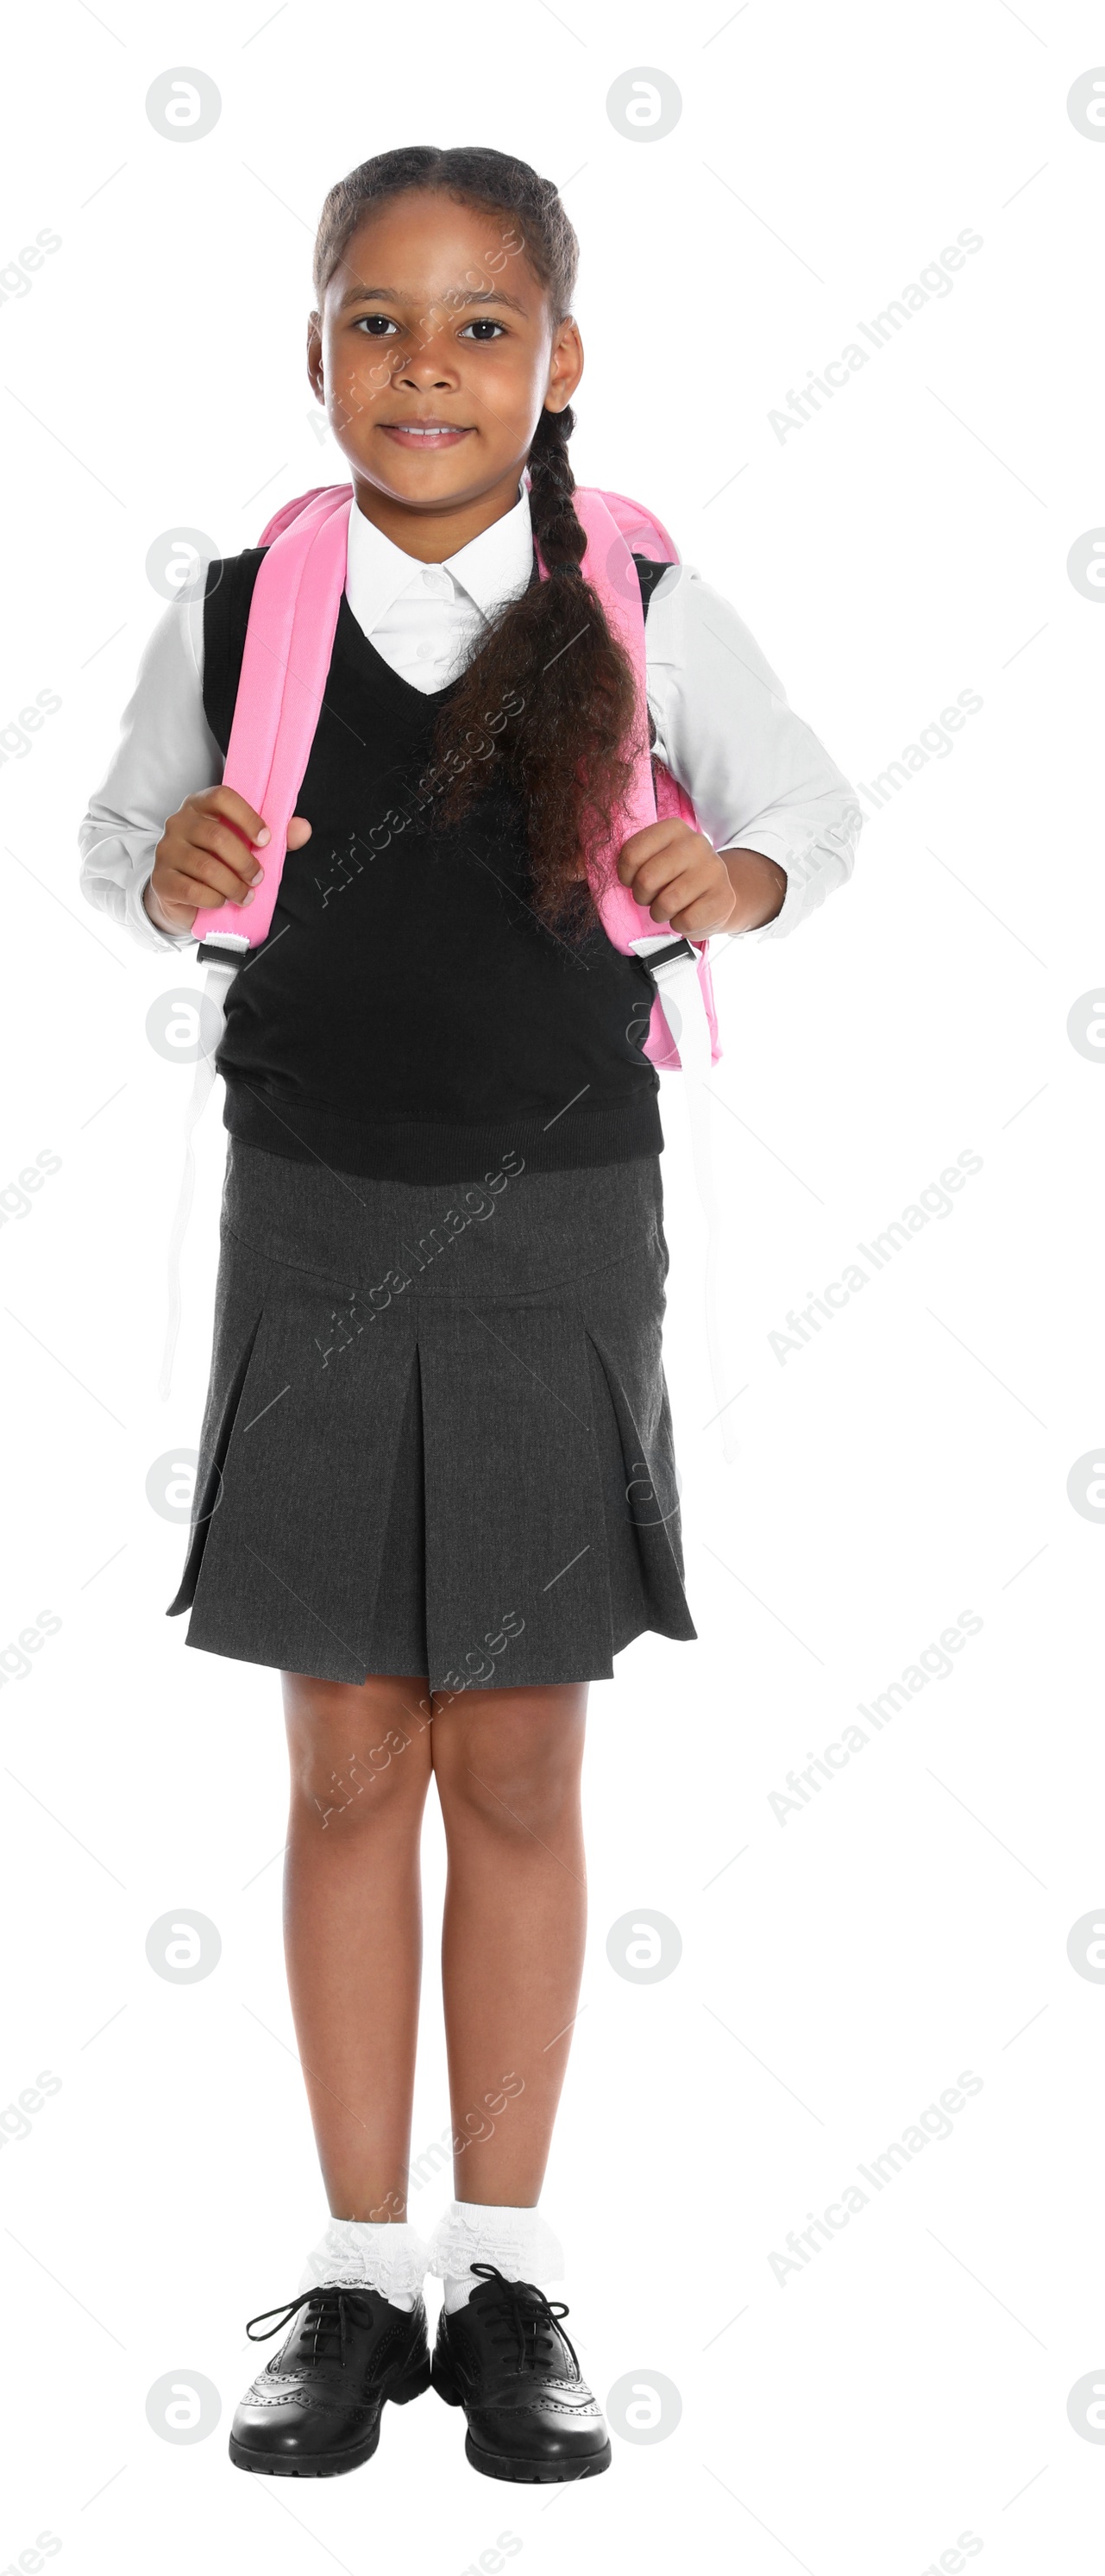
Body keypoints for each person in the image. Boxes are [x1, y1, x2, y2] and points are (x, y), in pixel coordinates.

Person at [80, 143, 858, 2484]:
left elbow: (801, 803)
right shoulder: (234, 616)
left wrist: (733, 867)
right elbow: (132, 846)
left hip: (553, 1223)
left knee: (515, 1755)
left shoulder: (632, 593)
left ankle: (503, 2269)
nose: (427, 369)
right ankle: (354, 2274)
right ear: (313, 347)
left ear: (562, 359)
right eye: (378, 321)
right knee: (344, 1757)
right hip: (312, 1212)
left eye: (479, 325)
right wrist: (175, 870)